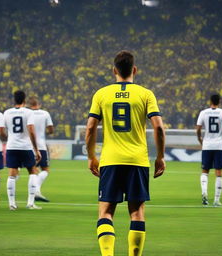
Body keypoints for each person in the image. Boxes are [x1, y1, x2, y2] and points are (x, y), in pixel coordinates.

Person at [85, 50, 166, 256]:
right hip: (137, 161)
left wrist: (91, 156)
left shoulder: (101, 94)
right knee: (137, 213)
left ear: (114, 70)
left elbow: (90, 127)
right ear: (134, 70)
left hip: (110, 160)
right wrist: (160, 157)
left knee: (106, 212)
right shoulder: (146, 94)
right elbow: (158, 128)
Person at [4, 90, 42, 210]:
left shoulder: (7, 113)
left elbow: (3, 130)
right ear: (24, 100)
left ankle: (12, 204)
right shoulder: (28, 112)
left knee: (12, 173)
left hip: (11, 146)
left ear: (14, 100)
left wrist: (9, 140)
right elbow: (31, 130)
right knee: (33, 171)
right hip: (25, 146)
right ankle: (30, 203)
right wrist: (36, 150)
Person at [196, 94, 222, 207]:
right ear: (219, 101)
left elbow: (198, 129)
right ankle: (216, 200)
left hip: (207, 145)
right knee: (219, 173)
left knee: (205, 171)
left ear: (210, 101)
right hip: (219, 145)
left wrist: (201, 140)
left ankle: (204, 194)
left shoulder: (203, 112)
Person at [28, 96, 54, 202]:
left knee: (32, 170)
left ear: (30, 105)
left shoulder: (27, 113)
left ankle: (35, 192)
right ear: (39, 104)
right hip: (41, 145)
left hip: (28, 146)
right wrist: (44, 132)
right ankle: (36, 192)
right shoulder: (45, 113)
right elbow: (51, 130)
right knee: (45, 170)